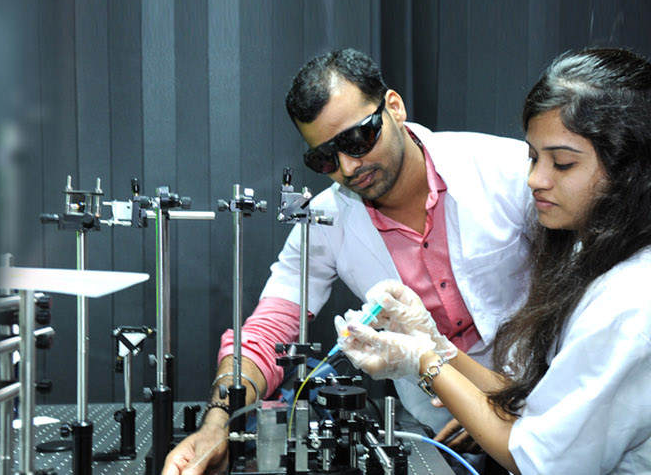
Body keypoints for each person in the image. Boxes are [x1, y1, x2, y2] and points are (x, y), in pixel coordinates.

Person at [339, 47, 651, 474]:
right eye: (533, 157)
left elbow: (537, 460)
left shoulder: (634, 303)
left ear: (631, 170)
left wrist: (423, 361)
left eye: (562, 164)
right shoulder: (598, 258)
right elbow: (533, 404)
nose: (535, 179)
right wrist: (436, 343)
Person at [160, 48, 536, 475]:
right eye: (325, 158)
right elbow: (267, 333)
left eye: (357, 140)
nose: (348, 167)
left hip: (543, 412)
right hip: (437, 434)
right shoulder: (326, 219)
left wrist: (500, 406)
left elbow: (578, 304)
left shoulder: (509, 172)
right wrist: (217, 424)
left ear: (394, 107)